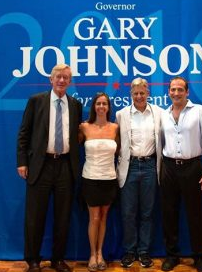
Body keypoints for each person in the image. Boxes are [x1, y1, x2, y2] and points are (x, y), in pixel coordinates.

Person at [17, 64, 82, 272]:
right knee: (35, 216)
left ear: (70, 82)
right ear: (51, 80)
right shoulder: (36, 101)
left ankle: (57, 259)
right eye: (58, 77)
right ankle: (33, 260)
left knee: (62, 216)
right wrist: (22, 162)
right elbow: (24, 134)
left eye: (65, 77)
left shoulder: (75, 105)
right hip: (41, 165)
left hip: (65, 166)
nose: (62, 81)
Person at [160, 76, 202, 272]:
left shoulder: (199, 111)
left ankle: (199, 257)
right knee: (169, 214)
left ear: (187, 92)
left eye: (180, 89)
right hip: (169, 168)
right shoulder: (164, 114)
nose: (176, 93)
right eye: (173, 89)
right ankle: (172, 255)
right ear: (169, 92)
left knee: (195, 214)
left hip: (193, 167)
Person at [116, 77, 163, 268]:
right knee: (128, 212)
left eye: (142, 92)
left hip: (151, 166)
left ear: (148, 93)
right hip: (130, 166)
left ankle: (143, 252)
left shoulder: (159, 113)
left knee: (147, 212)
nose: (139, 96)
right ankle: (129, 251)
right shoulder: (121, 115)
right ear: (131, 95)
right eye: (135, 93)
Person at [78, 92, 119, 272]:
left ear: (108, 107)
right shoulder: (84, 127)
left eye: (104, 104)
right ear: (94, 106)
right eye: (98, 104)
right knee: (94, 217)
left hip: (109, 178)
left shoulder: (115, 128)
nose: (101, 107)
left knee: (103, 217)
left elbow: (121, 153)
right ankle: (92, 255)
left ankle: (100, 253)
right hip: (90, 178)